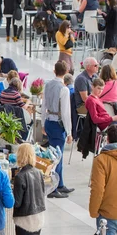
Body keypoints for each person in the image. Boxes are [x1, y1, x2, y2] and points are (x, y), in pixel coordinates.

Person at [41, 61, 74, 199]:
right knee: (56, 156)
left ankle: (59, 184)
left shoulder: (47, 85)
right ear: (66, 72)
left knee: (55, 153)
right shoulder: (64, 89)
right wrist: (69, 131)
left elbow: (43, 106)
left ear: (54, 71)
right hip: (57, 124)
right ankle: (53, 186)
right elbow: (66, 113)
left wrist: (43, 124)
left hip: (49, 121)